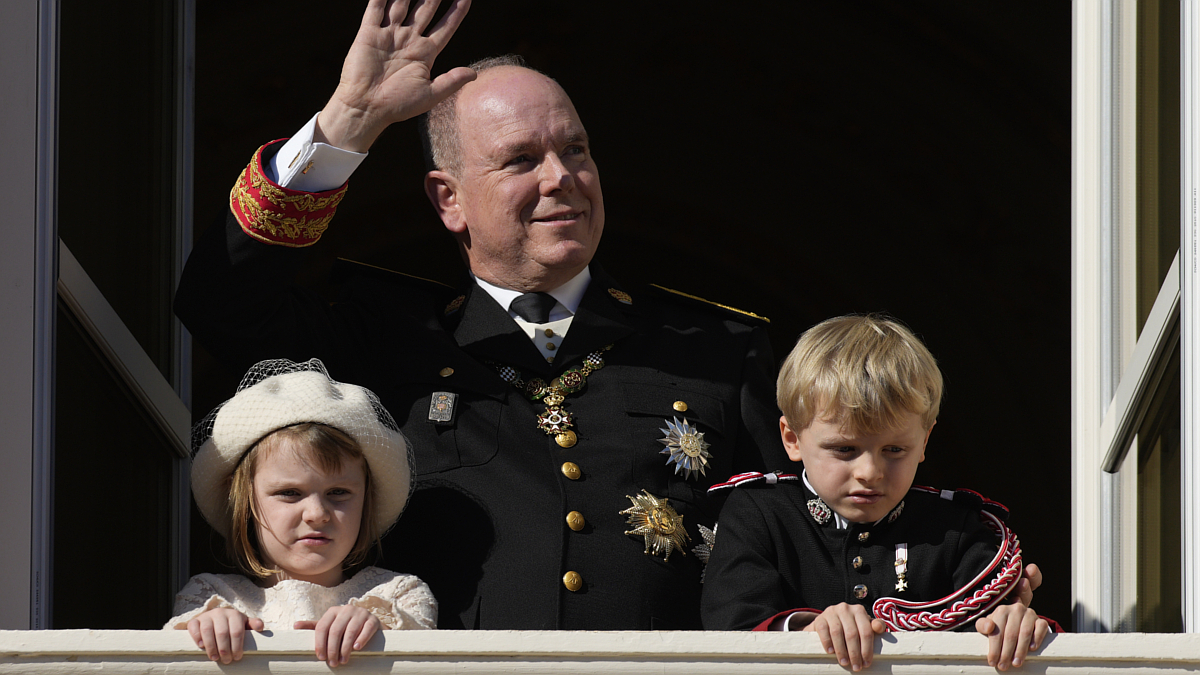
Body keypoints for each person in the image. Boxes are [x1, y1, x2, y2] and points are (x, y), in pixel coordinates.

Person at [175, 0, 790, 629]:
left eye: (575, 149)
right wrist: (349, 122)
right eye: (521, 159)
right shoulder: (385, 342)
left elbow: (789, 540)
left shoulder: (714, 350)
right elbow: (221, 301)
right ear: (449, 200)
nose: (561, 178)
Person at [700, 315, 1054, 672]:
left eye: (895, 450)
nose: (869, 473)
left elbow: (998, 628)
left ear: (924, 441)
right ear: (792, 438)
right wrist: (805, 628)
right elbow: (731, 626)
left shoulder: (957, 529)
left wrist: (1016, 626)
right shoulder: (757, 513)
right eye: (844, 450)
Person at [165, 358, 435, 667]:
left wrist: (378, 628)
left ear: (366, 501)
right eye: (290, 493)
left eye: (339, 493)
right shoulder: (210, 596)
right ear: (245, 503)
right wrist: (207, 630)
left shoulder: (398, 595)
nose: (317, 513)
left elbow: (423, 653)